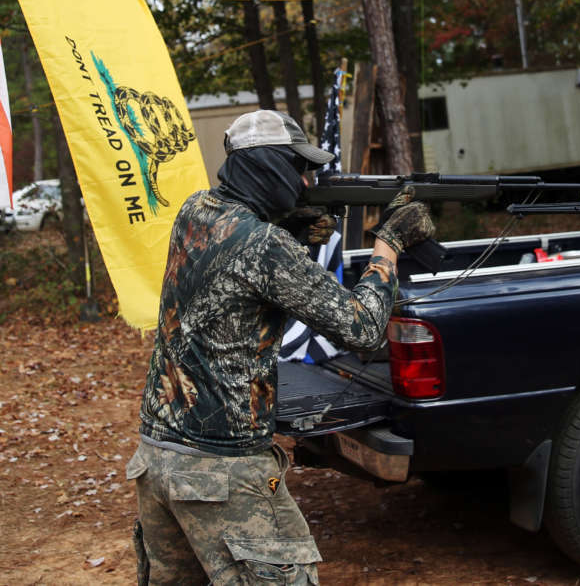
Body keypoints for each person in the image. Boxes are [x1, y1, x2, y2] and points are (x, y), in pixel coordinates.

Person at [127, 109, 435, 584]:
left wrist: (290, 229)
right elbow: (362, 328)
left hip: (155, 460)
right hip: (222, 473)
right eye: (298, 169)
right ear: (269, 168)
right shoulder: (266, 246)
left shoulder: (195, 210)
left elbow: (232, 278)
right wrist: (388, 245)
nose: (308, 182)